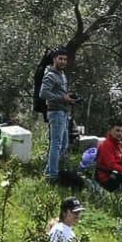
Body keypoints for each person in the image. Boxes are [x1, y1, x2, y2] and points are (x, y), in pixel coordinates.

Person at [39, 50, 80, 183]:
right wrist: (63, 98)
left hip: (63, 112)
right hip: (55, 112)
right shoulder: (50, 75)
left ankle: (48, 172)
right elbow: (43, 93)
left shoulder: (62, 74)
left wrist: (70, 97)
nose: (63, 61)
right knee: (56, 145)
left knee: (64, 144)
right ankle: (53, 176)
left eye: (65, 59)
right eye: (60, 59)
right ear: (54, 59)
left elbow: (61, 93)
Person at [94, 122, 122, 195]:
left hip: (115, 174)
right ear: (110, 131)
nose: (120, 134)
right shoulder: (106, 145)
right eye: (117, 130)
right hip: (106, 178)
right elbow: (112, 165)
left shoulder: (117, 145)